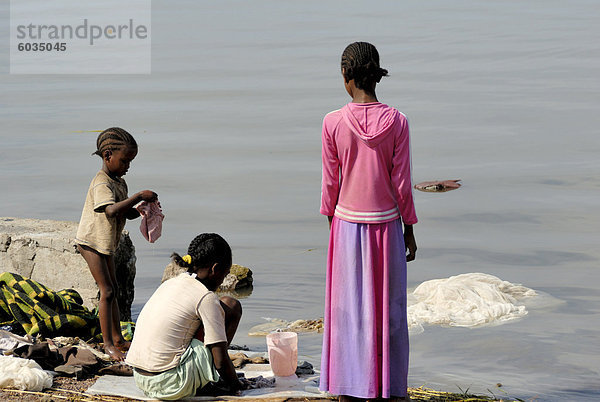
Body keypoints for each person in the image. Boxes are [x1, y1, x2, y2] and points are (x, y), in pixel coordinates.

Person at [319, 42, 418, 401]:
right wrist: (410, 229)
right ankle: (389, 388)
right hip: (388, 226)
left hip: (347, 225)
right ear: (376, 74)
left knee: (347, 311)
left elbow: (330, 183)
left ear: (346, 75)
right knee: (389, 310)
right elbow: (402, 183)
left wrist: (333, 224)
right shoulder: (398, 121)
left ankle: (347, 388)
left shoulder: (332, 122)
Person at [125, 233, 243, 400]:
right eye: (224, 275)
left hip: (141, 379)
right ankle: (204, 382)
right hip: (171, 385)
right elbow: (221, 362)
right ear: (215, 269)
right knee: (231, 306)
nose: (222, 280)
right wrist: (236, 386)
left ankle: (197, 375)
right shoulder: (205, 297)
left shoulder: (172, 283)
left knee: (212, 313)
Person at [75, 127, 158, 361]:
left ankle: (118, 338)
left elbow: (122, 212)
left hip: (106, 243)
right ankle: (108, 344)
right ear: (107, 155)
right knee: (107, 291)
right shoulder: (101, 183)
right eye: (125, 161)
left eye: (131, 161)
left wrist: (139, 210)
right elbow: (110, 210)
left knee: (115, 289)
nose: (128, 166)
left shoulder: (119, 181)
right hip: (91, 242)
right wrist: (140, 196)